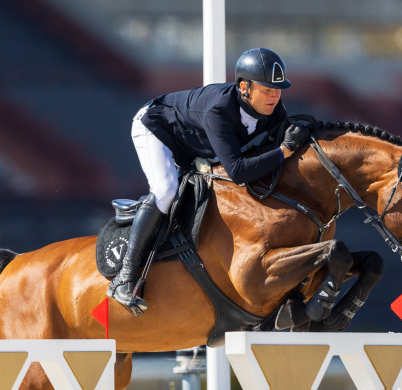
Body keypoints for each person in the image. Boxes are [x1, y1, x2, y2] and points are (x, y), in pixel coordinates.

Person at [107, 47, 310, 315]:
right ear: (244, 88)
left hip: (194, 143)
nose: (274, 96)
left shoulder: (274, 109)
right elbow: (238, 170)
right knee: (166, 190)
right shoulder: (219, 110)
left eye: (278, 89)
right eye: (266, 89)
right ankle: (125, 277)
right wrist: (284, 151)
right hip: (156, 129)